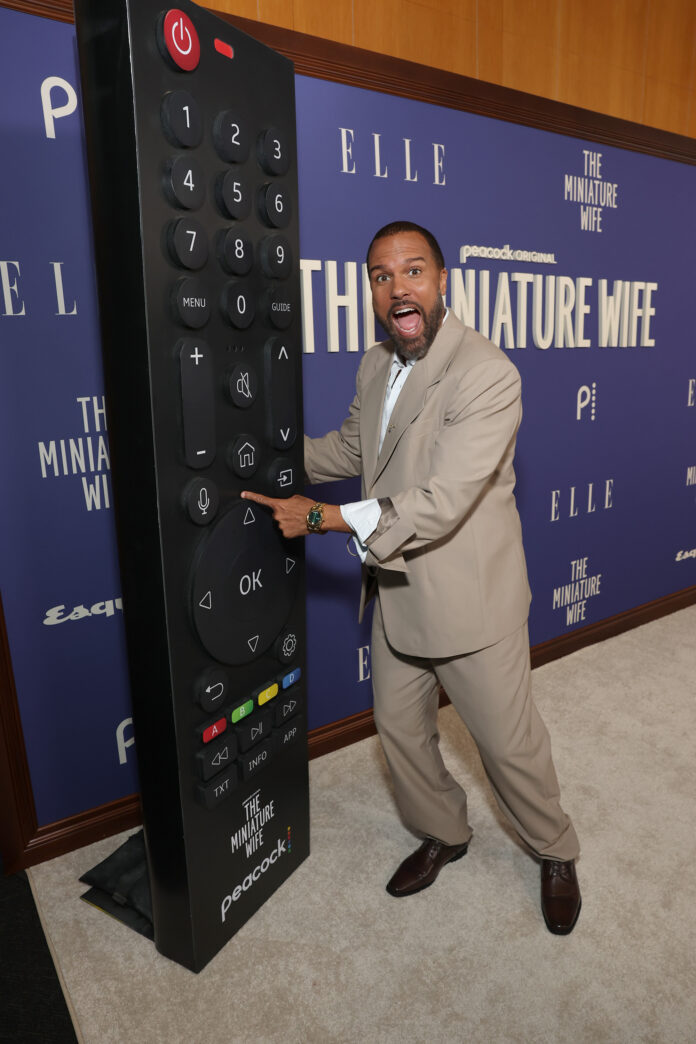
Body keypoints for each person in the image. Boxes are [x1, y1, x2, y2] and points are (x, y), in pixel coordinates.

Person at [242, 220, 581, 934]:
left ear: (442, 281)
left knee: (508, 747)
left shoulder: (487, 372)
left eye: (413, 271)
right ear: (371, 290)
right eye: (381, 275)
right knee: (400, 733)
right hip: (396, 590)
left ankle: (554, 849)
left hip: (469, 600)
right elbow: (347, 448)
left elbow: (443, 499)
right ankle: (445, 833)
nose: (398, 287)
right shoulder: (374, 365)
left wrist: (319, 520)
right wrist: (261, 451)